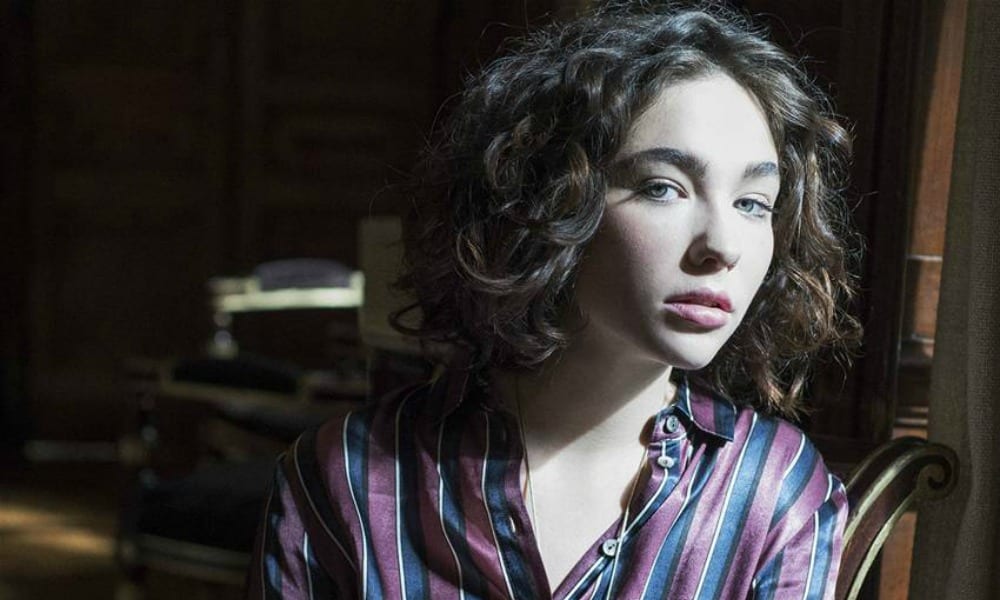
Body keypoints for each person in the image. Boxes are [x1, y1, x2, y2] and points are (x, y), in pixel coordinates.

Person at [248, 2, 861, 598]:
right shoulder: (347, 479)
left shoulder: (773, 494)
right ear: (549, 202)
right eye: (663, 188)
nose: (723, 245)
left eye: (753, 203)